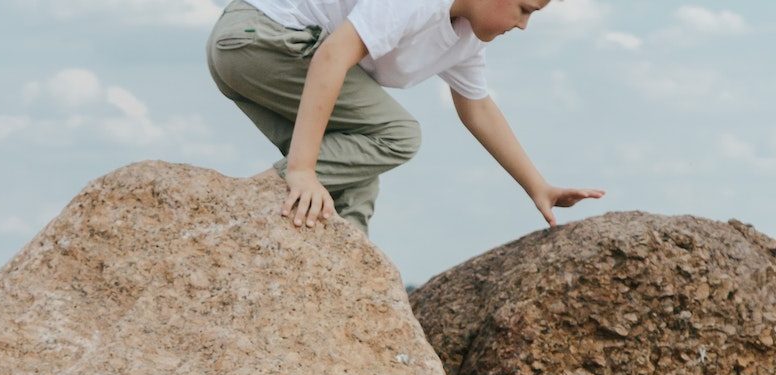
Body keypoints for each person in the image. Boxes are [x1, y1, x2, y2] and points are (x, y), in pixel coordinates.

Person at [207, 0, 605, 233]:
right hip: (260, 38)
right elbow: (333, 56)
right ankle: (245, 211)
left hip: (252, 55)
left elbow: (478, 107)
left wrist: (538, 186)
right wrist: (302, 170)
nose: (523, 25)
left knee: (356, 184)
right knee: (396, 134)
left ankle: (342, 281)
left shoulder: (463, 39)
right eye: (523, 9)